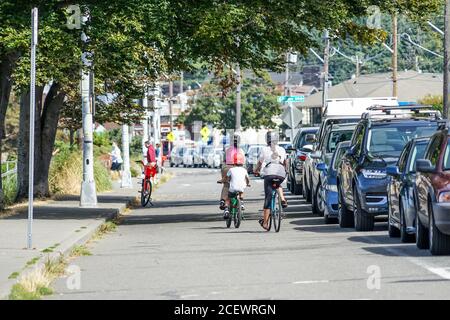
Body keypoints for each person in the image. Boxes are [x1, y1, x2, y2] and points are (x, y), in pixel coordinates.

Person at [254, 131, 288, 231]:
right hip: (280, 172)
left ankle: (265, 222)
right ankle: (282, 198)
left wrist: (255, 170)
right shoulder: (282, 149)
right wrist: (286, 171)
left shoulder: (264, 149)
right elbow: (285, 162)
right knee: (278, 184)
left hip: (269, 173)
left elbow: (260, 163)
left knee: (268, 198)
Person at [218, 132, 246, 212]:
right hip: (239, 168)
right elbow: (244, 162)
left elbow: (224, 160)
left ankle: (223, 200)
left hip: (227, 167)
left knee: (226, 185)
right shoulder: (241, 150)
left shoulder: (227, 149)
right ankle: (241, 201)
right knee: (241, 183)